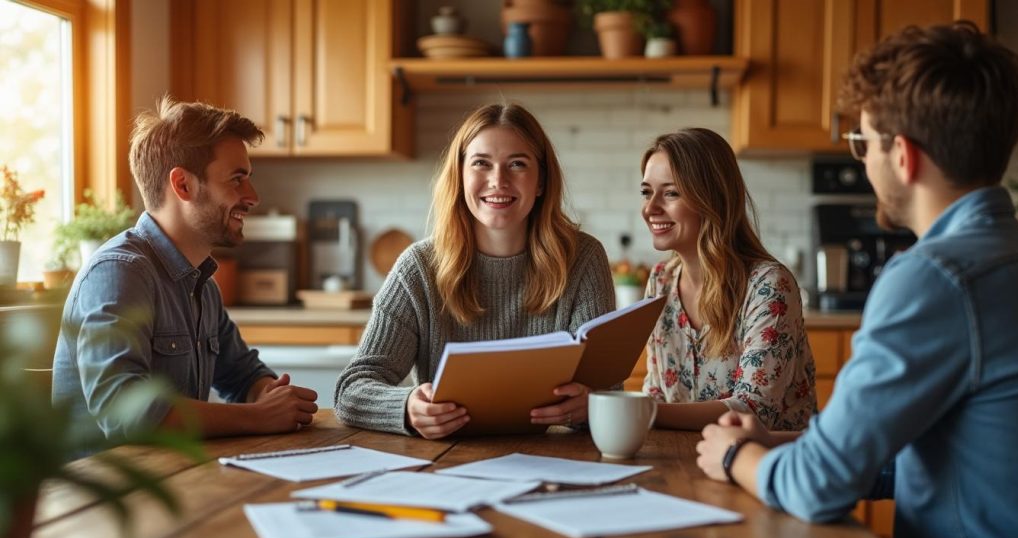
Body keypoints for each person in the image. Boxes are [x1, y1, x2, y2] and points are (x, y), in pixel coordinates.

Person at [695, 22, 1018, 538]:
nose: (863, 162)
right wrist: (774, 442)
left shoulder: (934, 278)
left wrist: (732, 456)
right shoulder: (1007, 254)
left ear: (903, 156)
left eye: (863, 143)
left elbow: (820, 486)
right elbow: (932, 457)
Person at [335, 103, 616, 439]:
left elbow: (608, 390)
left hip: (554, 460)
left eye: (517, 164)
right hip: (442, 465)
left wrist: (590, 405)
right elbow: (351, 391)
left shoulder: (582, 258)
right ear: (461, 175)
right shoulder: (418, 268)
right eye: (481, 163)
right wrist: (407, 407)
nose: (498, 181)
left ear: (540, 181)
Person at [53, 97, 318, 444]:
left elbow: (241, 375)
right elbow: (123, 412)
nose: (252, 196)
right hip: (111, 493)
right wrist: (257, 416)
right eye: (237, 179)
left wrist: (269, 394)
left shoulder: (203, 285)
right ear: (183, 185)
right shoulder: (120, 272)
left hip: (177, 480)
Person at [639, 128, 816, 432]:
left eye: (671, 193)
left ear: (712, 198)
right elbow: (657, 392)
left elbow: (753, 410)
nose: (650, 208)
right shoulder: (661, 281)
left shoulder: (769, 286)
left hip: (765, 467)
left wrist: (641, 411)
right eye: (646, 191)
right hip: (686, 460)